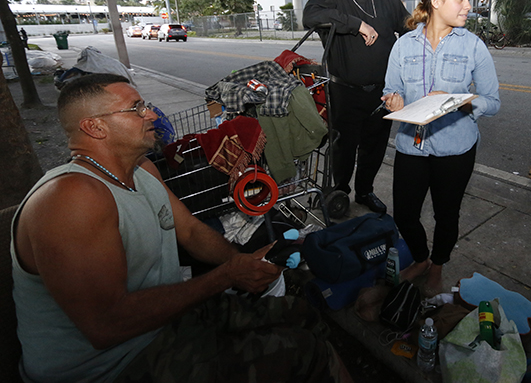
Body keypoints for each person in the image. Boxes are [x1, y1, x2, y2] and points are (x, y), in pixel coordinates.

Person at [11, 73, 351, 383]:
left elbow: (188, 230)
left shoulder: (142, 169)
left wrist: (243, 264)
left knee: (303, 314)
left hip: (163, 325)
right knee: (306, 352)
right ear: (95, 128)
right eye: (136, 109)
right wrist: (226, 277)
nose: (153, 115)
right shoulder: (72, 198)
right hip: (114, 365)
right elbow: (106, 325)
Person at [382, 0, 500, 295]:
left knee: (446, 215)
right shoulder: (403, 46)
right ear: (436, 1)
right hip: (411, 145)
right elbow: (390, 88)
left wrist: (461, 102)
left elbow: (493, 102)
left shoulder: (473, 47)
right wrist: (394, 100)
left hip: (456, 147)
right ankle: (420, 258)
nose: (468, 6)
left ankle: (437, 265)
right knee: (404, 214)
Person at [303, 0, 410, 214]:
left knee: (374, 148)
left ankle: (365, 191)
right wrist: (356, 24)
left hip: (382, 92)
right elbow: (311, 16)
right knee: (343, 148)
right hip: (345, 92)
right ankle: (338, 191)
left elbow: (409, 28)